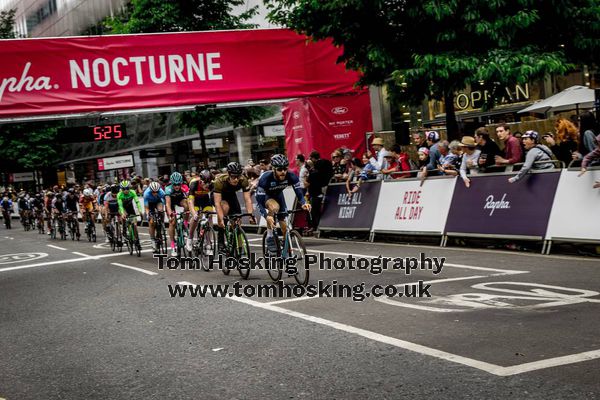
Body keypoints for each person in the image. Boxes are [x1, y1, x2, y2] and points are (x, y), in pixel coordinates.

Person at [256, 154, 311, 254]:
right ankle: (269, 235)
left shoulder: (291, 176)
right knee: (274, 207)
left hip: (279, 196)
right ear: (273, 169)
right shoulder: (265, 179)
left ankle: (286, 253)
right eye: (280, 169)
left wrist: (303, 203)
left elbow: (299, 192)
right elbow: (259, 203)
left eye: (285, 169)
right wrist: (266, 216)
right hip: (266, 197)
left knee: (286, 228)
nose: (283, 172)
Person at [212, 162, 256, 252]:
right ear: (228, 174)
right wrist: (220, 219)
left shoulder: (243, 180)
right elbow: (217, 203)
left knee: (237, 220)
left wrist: (251, 215)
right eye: (233, 177)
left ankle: (237, 246)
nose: (236, 179)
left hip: (231, 196)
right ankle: (221, 241)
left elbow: (247, 199)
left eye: (238, 176)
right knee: (225, 208)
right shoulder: (219, 181)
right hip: (219, 196)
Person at [187, 170, 214, 252]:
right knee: (196, 217)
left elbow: (216, 199)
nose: (207, 186)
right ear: (200, 181)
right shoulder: (194, 184)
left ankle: (208, 242)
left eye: (208, 184)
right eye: (205, 184)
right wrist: (194, 214)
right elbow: (190, 202)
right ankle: (190, 238)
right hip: (195, 201)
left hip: (205, 200)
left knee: (210, 215)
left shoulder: (212, 184)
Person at [165, 172, 189, 256]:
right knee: (172, 222)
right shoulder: (168, 189)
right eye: (175, 185)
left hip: (180, 200)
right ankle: (172, 246)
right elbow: (167, 204)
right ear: (172, 183)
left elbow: (189, 199)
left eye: (178, 184)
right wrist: (170, 213)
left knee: (187, 206)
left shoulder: (184, 187)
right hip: (171, 203)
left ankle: (185, 224)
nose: (177, 186)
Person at [117, 180, 143, 250]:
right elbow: (120, 206)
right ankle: (124, 231)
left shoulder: (132, 192)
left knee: (134, 224)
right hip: (123, 208)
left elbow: (137, 202)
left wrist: (140, 210)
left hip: (131, 209)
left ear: (129, 188)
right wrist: (122, 213)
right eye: (124, 189)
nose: (126, 190)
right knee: (124, 217)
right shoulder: (119, 194)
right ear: (121, 189)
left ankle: (137, 241)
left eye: (127, 188)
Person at [143, 181, 166, 252]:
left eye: (157, 191)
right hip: (150, 204)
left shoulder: (162, 192)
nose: (155, 193)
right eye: (153, 192)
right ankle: (152, 240)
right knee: (151, 222)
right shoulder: (146, 194)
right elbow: (146, 208)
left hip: (158, 201)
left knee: (161, 210)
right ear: (150, 190)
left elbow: (165, 202)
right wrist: (148, 215)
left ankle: (161, 224)